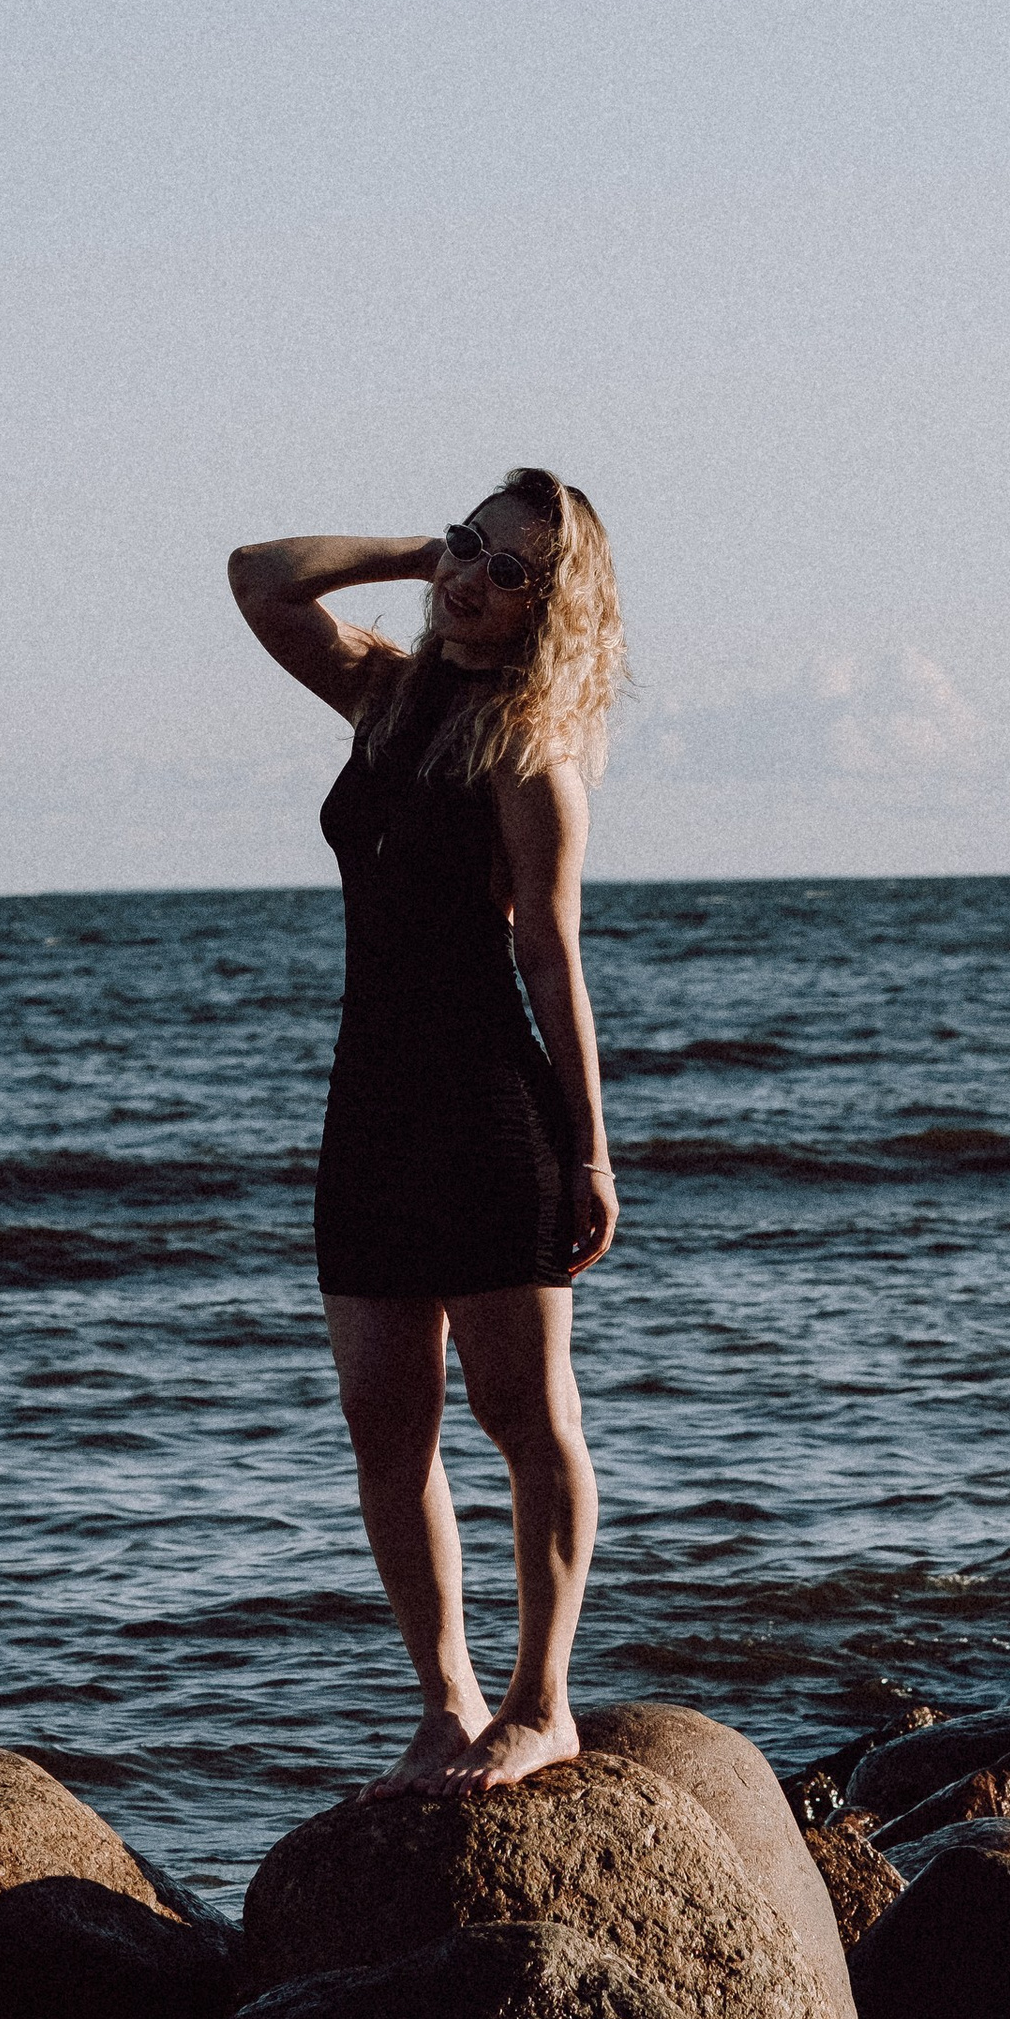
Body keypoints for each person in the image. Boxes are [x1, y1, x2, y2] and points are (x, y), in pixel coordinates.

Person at [227, 473, 626, 1789]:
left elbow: (551, 961)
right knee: (384, 1424)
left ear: (553, 605)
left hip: (488, 1110)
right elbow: (261, 575)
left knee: (524, 1414)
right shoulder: (387, 697)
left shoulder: (532, 751)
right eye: (470, 548)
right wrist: (418, 551)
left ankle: (543, 1700)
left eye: (511, 569)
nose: (471, 578)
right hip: (372, 1109)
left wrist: (588, 1151)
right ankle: (444, 1701)